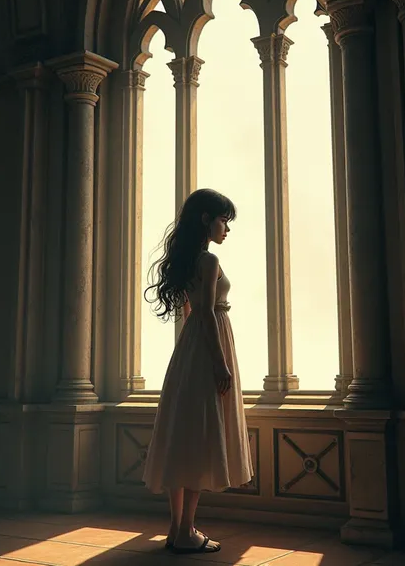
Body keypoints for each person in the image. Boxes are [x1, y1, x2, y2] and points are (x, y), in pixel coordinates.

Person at [142, 188, 253, 555]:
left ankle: (177, 529)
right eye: (224, 220)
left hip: (190, 348)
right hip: (208, 345)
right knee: (200, 438)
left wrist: (190, 352)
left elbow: (190, 313)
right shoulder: (208, 261)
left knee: (183, 437)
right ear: (207, 219)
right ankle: (186, 531)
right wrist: (220, 362)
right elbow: (205, 312)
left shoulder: (188, 259)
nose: (227, 229)